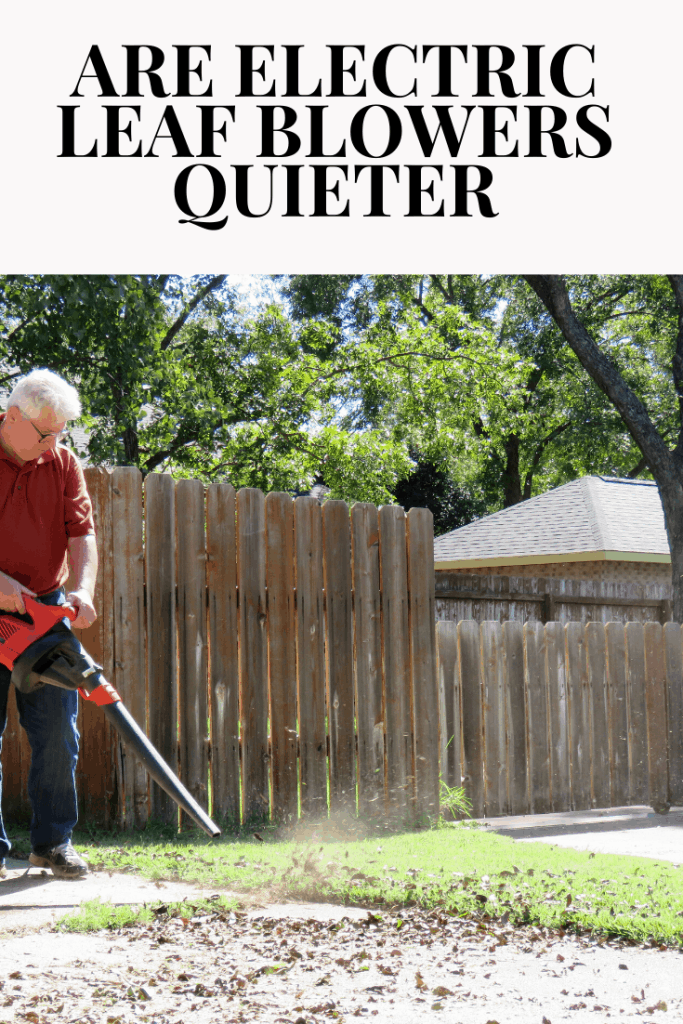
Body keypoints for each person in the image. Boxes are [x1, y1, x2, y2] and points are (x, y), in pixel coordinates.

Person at [0, 369, 98, 879]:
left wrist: (82, 589)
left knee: (59, 727)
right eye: (45, 433)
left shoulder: (61, 462)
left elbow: (81, 533)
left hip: (43, 610)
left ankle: (53, 843)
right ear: (11, 417)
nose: (53, 444)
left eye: (60, 433)